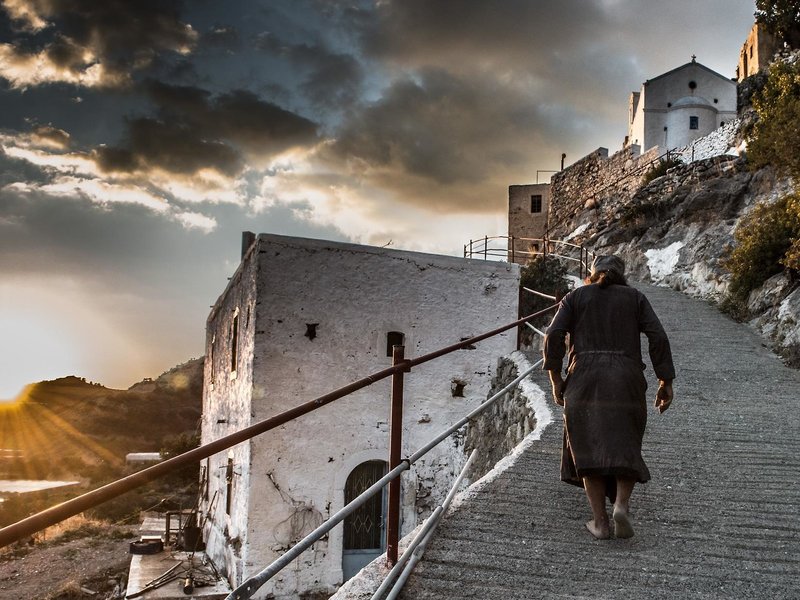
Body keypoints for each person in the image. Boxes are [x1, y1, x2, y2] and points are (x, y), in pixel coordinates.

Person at [542, 255, 675, 540]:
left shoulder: (575, 297)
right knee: (626, 441)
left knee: (587, 444)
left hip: (584, 378)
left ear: (591, 274)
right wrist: (665, 380)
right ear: (622, 275)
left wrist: (556, 378)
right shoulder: (635, 298)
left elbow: (553, 334)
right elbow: (658, 337)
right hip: (626, 377)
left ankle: (600, 522)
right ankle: (621, 506)